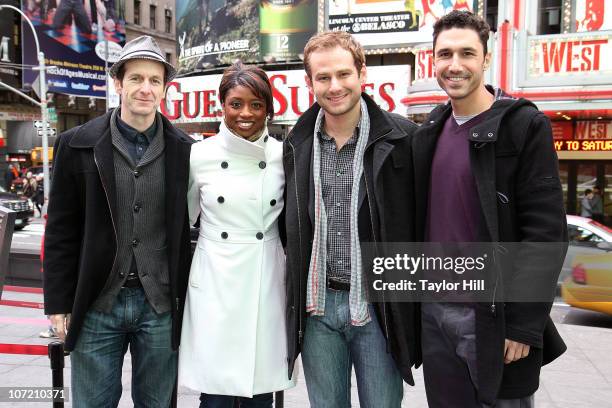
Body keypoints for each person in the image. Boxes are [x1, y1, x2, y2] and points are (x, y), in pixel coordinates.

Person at [412, 11, 568, 407]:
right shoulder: (430, 129)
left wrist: (523, 324)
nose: (455, 64)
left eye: (467, 52)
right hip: (434, 311)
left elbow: (546, 233)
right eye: (445, 54)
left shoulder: (523, 126)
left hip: (492, 316)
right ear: (433, 60)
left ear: (486, 58)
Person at [43, 35, 193, 407]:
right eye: (136, 79)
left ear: (164, 88)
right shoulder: (75, 144)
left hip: (158, 304)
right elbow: (61, 229)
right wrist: (57, 303)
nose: (145, 88)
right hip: (97, 302)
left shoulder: (187, 151)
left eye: (154, 81)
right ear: (118, 83)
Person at [283, 31, 420, 407]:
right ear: (309, 83)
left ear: (362, 74)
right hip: (318, 307)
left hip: (379, 308)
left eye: (344, 74)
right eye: (323, 77)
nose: (335, 86)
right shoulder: (296, 145)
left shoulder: (405, 140)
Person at [178, 62, 296, 408]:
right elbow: (181, 220)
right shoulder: (198, 155)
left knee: (260, 391)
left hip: (265, 277)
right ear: (222, 106)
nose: (246, 114)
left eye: (256, 105)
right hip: (215, 281)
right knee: (214, 393)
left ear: (268, 110)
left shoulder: (284, 154)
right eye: (236, 104)